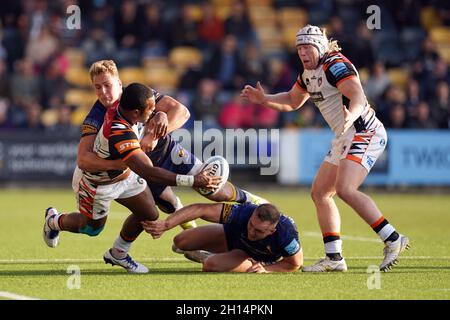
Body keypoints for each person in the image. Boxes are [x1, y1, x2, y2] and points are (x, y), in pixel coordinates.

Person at [241, 25, 410, 272]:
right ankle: (334, 258)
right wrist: (265, 99)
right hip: (345, 136)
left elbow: (358, 96)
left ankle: (393, 239)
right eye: (299, 49)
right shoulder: (308, 73)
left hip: (364, 131)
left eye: (307, 47)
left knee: (345, 189)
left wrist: (351, 116)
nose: (303, 53)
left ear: (320, 47)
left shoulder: (335, 64)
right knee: (320, 192)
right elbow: (292, 101)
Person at [43, 83, 222, 273]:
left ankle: (118, 253)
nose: (154, 111)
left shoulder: (127, 101)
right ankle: (54, 221)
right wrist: (192, 181)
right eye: (151, 109)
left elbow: (178, 111)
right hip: (99, 182)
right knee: (92, 229)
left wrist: (161, 114)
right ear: (136, 113)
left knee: (149, 214)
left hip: (125, 175)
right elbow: (149, 172)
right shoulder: (120, 132)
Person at [75, 60, 267, 233]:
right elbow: (84, 159)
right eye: (97, 88)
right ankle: (193, 241)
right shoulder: (96, 116)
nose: (103, 93)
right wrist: (121, 163)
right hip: (139, 168)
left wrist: (156, 133)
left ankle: (256, 202)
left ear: (118, 82)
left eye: (107, 85)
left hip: (167, 151)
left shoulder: (137, 94)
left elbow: (181, 112)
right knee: (169, 205)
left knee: (214, 189)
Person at [142, 202, 303, 273]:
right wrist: (166, 224)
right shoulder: (244, 212)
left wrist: (266, 270)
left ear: (272, 231)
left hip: (256, 258)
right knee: (180, 241)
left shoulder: (285, 233)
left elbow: (295, 263)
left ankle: (213, 258)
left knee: (210, 265)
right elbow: (201, 209)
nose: (251, 232)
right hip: (233, 240)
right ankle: (216, 254)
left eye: (259, 231)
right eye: (250, 225)